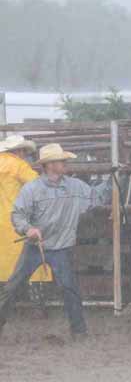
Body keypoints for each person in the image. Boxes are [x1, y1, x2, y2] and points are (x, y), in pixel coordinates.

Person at [0, 143, 109, 340]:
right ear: (50, 165)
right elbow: (18, 215)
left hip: (61, 248)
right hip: (35, 247)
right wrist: (28, 228)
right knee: (12, 287)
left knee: (69, 288)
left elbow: (98, 195)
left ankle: (79, 331)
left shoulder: (75, 186)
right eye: (61, 160)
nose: (65, 163)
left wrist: (119, 177)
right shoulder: (31, 189)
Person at [0, 135, 50, 319]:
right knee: (30, 262)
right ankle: (38, 306)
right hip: (17, 222)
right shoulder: (18, 166)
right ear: (19, 151)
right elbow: (38, 186)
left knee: (2, 266)